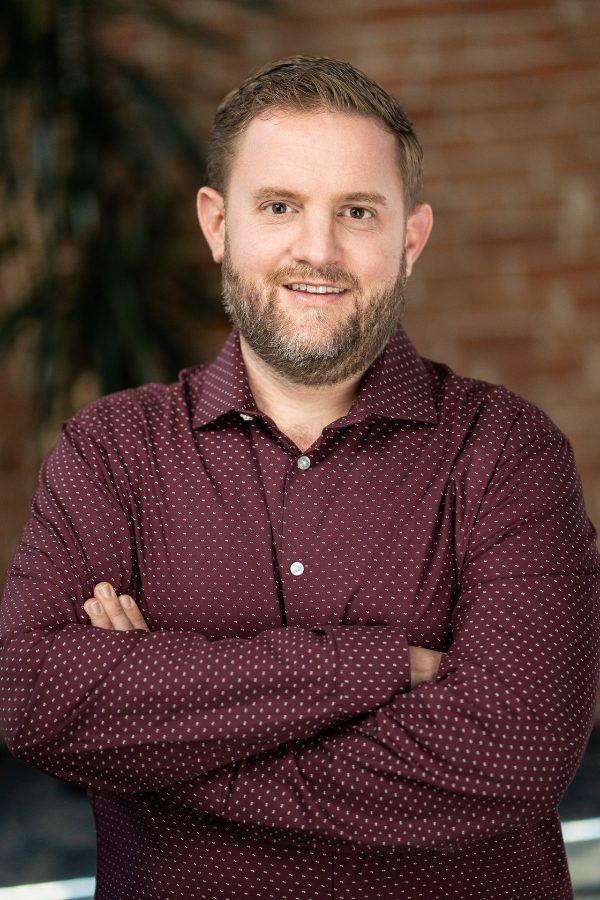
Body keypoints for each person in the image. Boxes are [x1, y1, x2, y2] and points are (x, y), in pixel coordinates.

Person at [1, 55, 599, 900]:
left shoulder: (508, 451)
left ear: (411, 237)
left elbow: (518, 746)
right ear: (218, 224)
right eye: (279, 206)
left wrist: (165, 753)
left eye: (357, 211)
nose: (317, 250)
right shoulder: (112, 452)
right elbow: (33, 698)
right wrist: (385, 666)